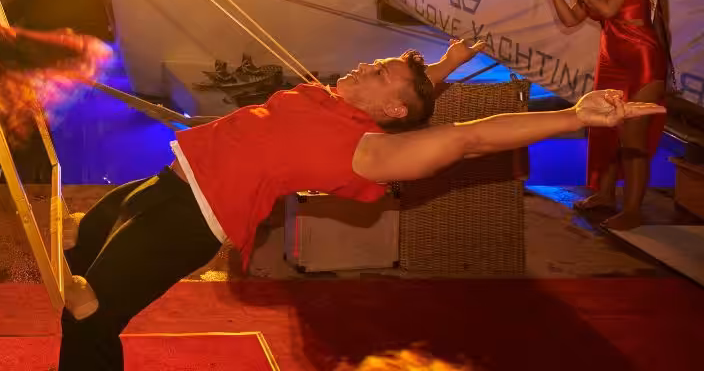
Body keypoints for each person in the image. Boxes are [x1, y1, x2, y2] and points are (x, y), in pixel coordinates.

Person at [57, 38, 663, 370]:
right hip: (161, 185)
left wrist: (571, 117)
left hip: (189, 218)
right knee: (77, 261)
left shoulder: (365, 151)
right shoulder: (335, 105)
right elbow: (415, 102)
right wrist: (443, 66)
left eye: (380, 73)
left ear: (391, 112)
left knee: (91, 314)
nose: (367, 65)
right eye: (377, 63)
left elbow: (466, 138)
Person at [546, 0, 666, 229]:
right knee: (605, 129)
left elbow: (610, 9)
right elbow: (572, 19)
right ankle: (606, 194)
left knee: (632, 135)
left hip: (642, 58)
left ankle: (633, 209)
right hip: (610, 58)